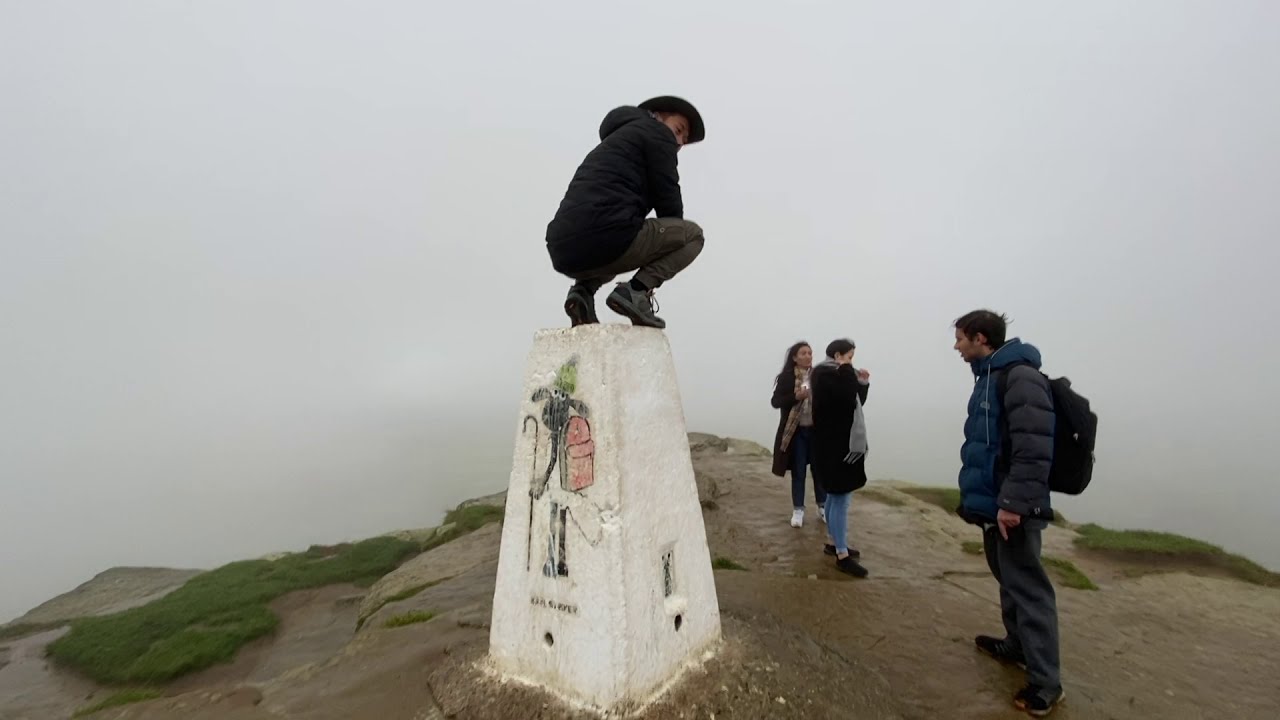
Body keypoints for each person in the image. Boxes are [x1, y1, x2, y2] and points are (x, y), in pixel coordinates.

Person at [952, 309, 1064, 717]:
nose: (956, 346)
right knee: (1008, 578)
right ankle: (1016, 645)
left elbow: (1033, 447)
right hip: (994, 503)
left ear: (980, 338)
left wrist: (1014, 504)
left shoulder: (1020, 377)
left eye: (961, 338)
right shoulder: (989, 376)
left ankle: (1046, 683)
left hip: (1013, 505)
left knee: (1030, 589)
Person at [544, 96, 707, 330]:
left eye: (684, 140)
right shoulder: (657, 133)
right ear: (658, 116)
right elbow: (669, 203)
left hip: (562, 249)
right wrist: (666, 246)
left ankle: (582, 293)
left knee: (619, 233)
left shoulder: (617, 141)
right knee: (691, 236)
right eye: (679, 130)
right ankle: (636, 292)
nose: (680, 141)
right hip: (608, 236)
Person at [809, 338, 871, 578]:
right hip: (835, 447)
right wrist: (846, 370)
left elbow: (854, 405)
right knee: (841, 499)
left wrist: (862, 383)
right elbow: (845, 396)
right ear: (838, 355)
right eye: (849, 356)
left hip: (839, 445)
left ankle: (835, 543)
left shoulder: (836, 375)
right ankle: (842, 555)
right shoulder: (825, 374)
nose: (851, 361)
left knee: (836, 497)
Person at [770, 341, 826, 527]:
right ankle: (798, 510)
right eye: (803, 353)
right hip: (796, 432)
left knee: (819, 471)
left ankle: (822, 507)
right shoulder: (786, 378)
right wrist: (796, 397)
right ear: (794, 357)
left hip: (816, 431)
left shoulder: (818, 376)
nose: (808, 356)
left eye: (810, 353)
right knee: (799, 471)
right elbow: (776, 401)